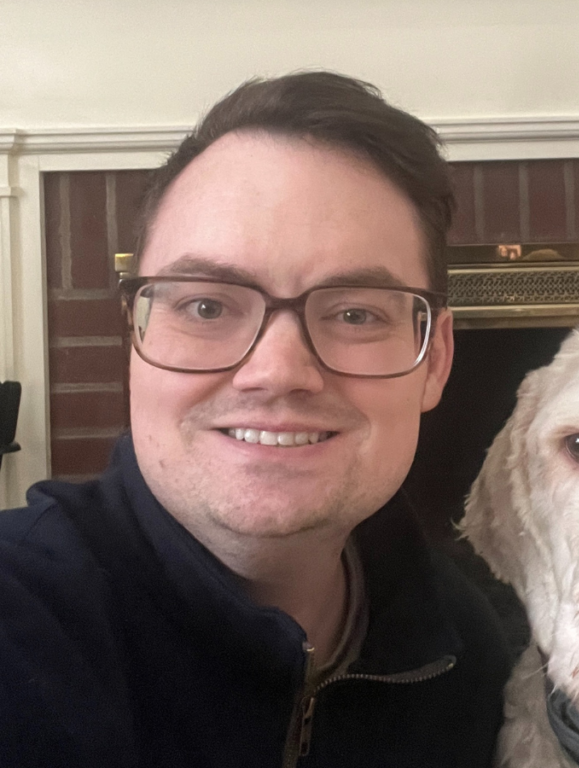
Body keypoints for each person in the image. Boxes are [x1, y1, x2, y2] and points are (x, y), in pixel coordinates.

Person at [0, 72, 511, 767]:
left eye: (356, 313)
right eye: (207, 306)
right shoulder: (20, 621)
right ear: (135, 338)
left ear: (436, 360)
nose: (277, 371)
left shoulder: (466, 649)